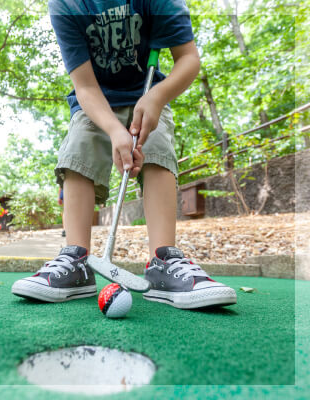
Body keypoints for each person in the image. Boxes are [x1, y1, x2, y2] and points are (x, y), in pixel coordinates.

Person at [12, 0, 237, 309]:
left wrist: (158, 96)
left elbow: (188, 59)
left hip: (147, 95)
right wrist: (114, 131)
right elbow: (85, 87)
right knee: (80, 141)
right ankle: (76, 259)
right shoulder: (65, 5)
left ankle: (163, 261)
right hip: (94, 102)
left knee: (156, 143)